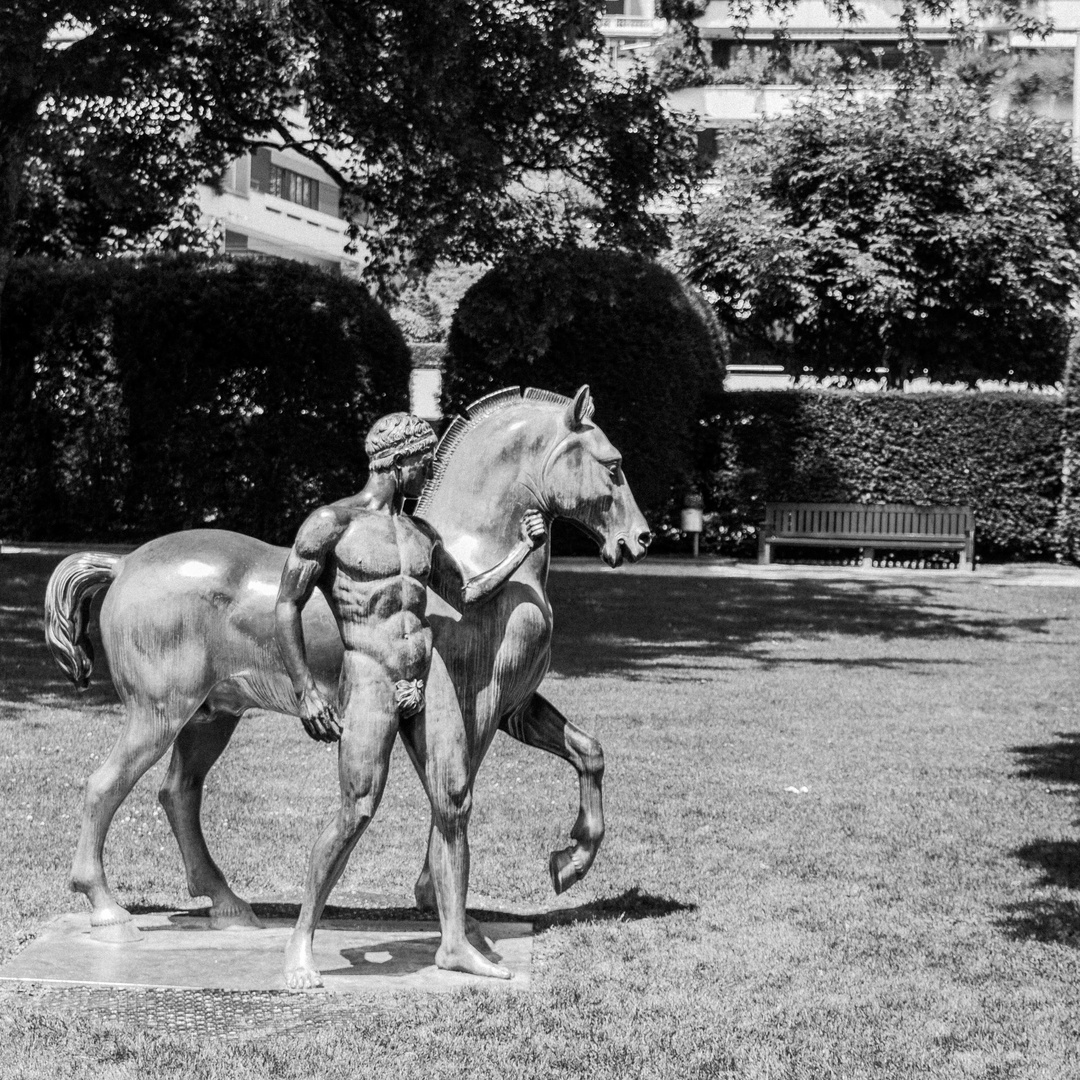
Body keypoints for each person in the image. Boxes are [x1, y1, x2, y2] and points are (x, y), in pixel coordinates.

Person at [275, 412, 545, 987]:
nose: (427, 473)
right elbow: (286, 606)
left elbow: (467, 593)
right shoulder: (331, 523)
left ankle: (452, 943)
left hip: (426, 675)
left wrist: (523, 549)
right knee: (358, 810)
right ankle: (302, 938)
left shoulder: (422, 533)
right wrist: (305, 689)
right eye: (422, 462)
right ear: (397, 462)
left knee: (454, 803)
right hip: (368, 675)